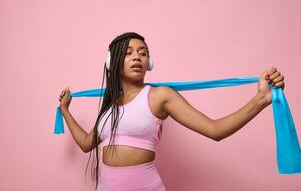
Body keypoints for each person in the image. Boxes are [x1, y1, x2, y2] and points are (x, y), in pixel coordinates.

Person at [58, 32, 285, 191]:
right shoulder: (109, 105)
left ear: (150, 62)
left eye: (143, 53)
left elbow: (215, 130)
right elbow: (87, 144)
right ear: (112, 61)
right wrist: (66, 110)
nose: (137, 56)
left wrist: (261, 99)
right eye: (128, 53)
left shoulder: (160, 96)